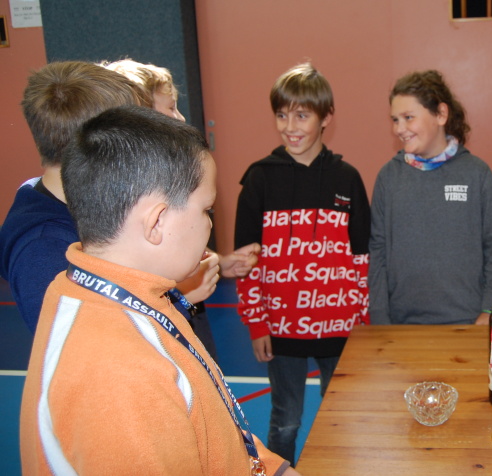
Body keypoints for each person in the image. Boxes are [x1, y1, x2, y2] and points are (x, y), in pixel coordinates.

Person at [19, 105, 298, 475]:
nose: (209, 224)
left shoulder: (129, 294)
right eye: (207, 210)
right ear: (157, 221)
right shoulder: (118, 374)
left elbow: (210, 430)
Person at [0, 61, 220, 334]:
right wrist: (178, 297)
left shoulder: (100, 205)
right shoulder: (41, 248)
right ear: (96, 143)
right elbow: (86, 342)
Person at [234, 62, 370, 465]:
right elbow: (245, 262)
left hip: (340, 327)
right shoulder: (259, 179)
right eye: (282, 115)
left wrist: (362, 320)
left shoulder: (347, 179)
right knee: (286, 422)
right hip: (281, 329)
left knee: (341, 418)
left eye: (302, 116)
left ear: (326, 118)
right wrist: (257, 323)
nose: (289, 127)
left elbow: (362, 258)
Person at [104, 57, 260, 358]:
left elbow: (178, 244)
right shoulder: (131, 205)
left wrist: (220, 262)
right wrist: (183, 299)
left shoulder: (163, 181)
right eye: (171, 107)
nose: (180, 117)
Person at [368, 69, 492, 325]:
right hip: (402, 325)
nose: (399, 129)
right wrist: (380, 316)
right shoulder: (388, 178)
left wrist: (491, 310)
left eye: (408, 117)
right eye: (395, 120)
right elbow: (377, 253)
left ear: (441, 114)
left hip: (468, 321)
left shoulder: (476, 174)